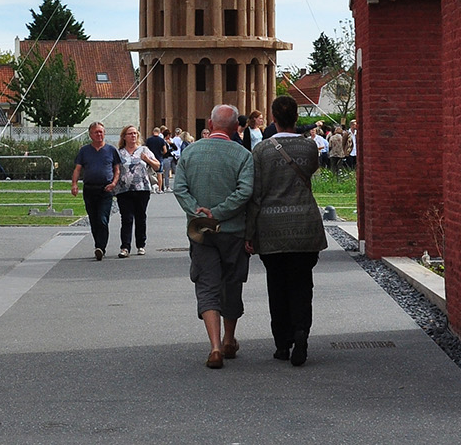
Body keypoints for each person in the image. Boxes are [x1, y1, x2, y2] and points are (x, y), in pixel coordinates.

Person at [173, 104, 255, 369]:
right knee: (232, 283)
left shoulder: (190, 152)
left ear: (210, 123)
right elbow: (245, 192)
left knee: (207, 284)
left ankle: (215, 346)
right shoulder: (242, 155)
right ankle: (230, 339)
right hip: (232, 231)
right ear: (235, 128)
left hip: (200, 232)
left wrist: (199, 213)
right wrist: (219, 213)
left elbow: (180, 188)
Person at [250, 95, 327, 365]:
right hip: (305, 226)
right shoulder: (309, 148)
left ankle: (282, 344)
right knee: (302, 283)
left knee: (277, 286)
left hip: (271, 229)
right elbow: (311, 171)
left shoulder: (261, 150)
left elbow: (256, 193)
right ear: (296, 118)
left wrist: (250, 233)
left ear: (273, 118)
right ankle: (301, 331)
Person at [69, 122, 120, 261]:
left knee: (103, 219)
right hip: (90, 189)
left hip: (106, 189)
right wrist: (74, 184)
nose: (99, 134)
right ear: (90, 135)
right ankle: (98, 244)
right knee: (93, 219)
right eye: (96, 132)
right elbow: (78, 169)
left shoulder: (111, 150)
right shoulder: (84, 151)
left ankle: (100, 247)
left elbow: (117, 169)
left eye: (101, 132)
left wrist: (114, 183)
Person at [111, 125, 161, 257]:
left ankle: (141, 244)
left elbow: (157, 166)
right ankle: (125, 247)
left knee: (140, 216)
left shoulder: (144, 150)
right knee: (126, 218)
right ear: (124, 137)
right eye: (130, 134)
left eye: (135, 134)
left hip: (141, 188)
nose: (133, 136)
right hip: (124, 189)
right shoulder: (119, 152)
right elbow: (114, 169)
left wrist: (147, 159)